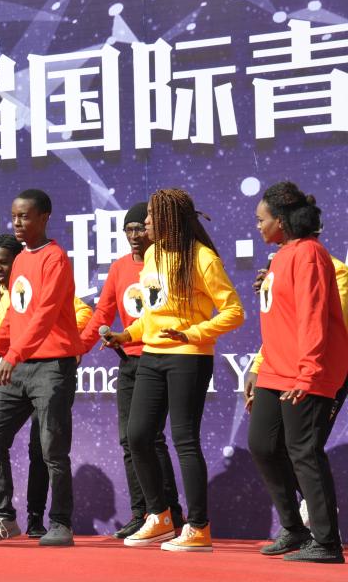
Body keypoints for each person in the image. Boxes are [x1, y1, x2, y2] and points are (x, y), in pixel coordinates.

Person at [103, 189, 243, 552]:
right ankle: (160, 517)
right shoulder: (152, 254)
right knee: (137, 436)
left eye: (152, 215)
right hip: (150, 355)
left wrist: (192, 333)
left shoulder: (202, 257)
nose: (146, 221)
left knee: (184, 440)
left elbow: (234, 311)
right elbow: (153, 313)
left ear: (169, 219)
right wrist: (127, 334)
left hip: (188, 357)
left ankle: (198, 527)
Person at [0, 190, 83, 547]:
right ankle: (3, 516)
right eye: (14, 216)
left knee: (52, 449)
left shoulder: (55, 259)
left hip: (52, 367)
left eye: (25, 216)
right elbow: (13, 317)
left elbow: (44, 315)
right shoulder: (19, 260)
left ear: (44, 217)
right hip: (16, 367)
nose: (17, 223)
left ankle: (60, 522)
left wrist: (13, 354)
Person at [245, 182, 346, 564]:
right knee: (263, 445)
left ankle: (326, 541)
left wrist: (308, 374)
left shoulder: (309, 254)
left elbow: (313, 317)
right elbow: (283, 315)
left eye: (262, 220)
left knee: (303, 451)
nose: (258, 226)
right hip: (275, 368)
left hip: (305, 371)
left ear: (282, 221)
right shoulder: (283, 255)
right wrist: (260, 367)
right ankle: (293, 529)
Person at [78, 203, 184, 539]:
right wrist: (79, 347)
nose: (135, 235)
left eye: (140, 228)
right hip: (128, 361)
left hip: (158, 358)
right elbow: (102, 313)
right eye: (129, 229)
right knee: (129, 440)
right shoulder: (119, 267)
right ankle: (143, 513)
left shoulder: (165, 265)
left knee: (151, 438)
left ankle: (169, 512)